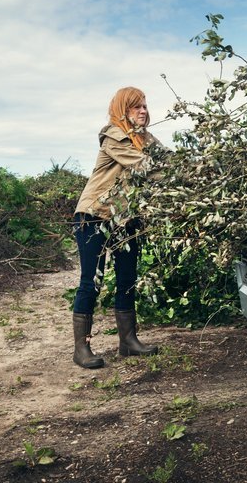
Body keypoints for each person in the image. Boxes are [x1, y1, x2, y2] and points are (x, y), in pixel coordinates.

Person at [71, 86, 160, 369]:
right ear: (123, 110)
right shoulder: (113, 136)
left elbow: (167, 158)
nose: (143, 111)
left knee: (127, 278)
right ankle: (81, 349)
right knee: (91, 282)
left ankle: (128, 341)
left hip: (125, 217)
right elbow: (145, 166)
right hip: (94, 216)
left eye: (145, 106)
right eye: (137, 107)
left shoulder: (145, 138)